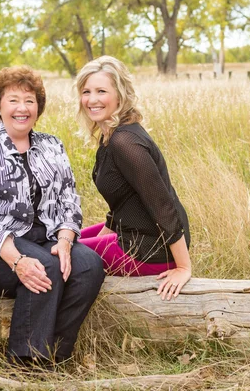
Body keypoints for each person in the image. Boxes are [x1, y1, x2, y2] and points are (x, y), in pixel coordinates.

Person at [0, 66, 105, 367]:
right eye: (13, 100)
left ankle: (55, 356)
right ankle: (24, 363)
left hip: (41, 239)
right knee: (43, 267)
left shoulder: (51, 145)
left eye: (30, 100)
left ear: (38, 107)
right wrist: (17, 261)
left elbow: (68, 198)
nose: (22, 108)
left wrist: (65, 240)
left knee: (88, 266)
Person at [74, 56, 191, 301]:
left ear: (120, 95)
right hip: (133, 233)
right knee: (65, 239)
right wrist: (99, 236)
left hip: (151, 250)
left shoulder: (125, 142)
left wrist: (183, 268)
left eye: (101, 91)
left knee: (63, 255)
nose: (92, 99)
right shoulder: (110, 136)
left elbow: (163, 204)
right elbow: (123, 203)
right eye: (86, 91)